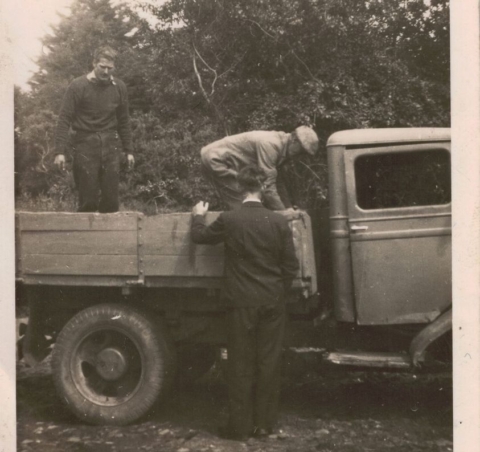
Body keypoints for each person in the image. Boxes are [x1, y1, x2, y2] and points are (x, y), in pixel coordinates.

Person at [191, 165, 299, 441]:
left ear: (239, 188)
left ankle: (239, 428)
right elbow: (290, 267)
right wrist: (278, 293)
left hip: (240, 303)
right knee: (269, 362)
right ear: (262, 188)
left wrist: (198, 217)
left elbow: (200, 238)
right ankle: (264, 425)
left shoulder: (230, 219)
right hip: (272, 301)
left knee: (239, 364)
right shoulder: (278, 222)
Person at [54, 46, 134, 213]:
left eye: (109, 68)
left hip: (110, 145)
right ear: (94, 63)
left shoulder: (119, 87)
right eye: (102, 67)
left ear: (114, 67)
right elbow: (64, 119)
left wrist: (129, 150)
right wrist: (59, 151)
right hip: (85, 144)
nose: (106, 72)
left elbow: (124, 121)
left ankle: (109, 239)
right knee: (88, 201)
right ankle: (85, 239)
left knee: (111, 202)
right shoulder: (78, 86)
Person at [200, 126, 319, 211]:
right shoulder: (271, 145)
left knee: (251, 202)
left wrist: (287, 208)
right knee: (244, 203)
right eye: (301, 151)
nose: (300, 156)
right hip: (216, 160)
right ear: (294, 140)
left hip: (229, 163)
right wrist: (284, 213)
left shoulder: (283, 148)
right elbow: (268, 187)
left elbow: (277, 181)